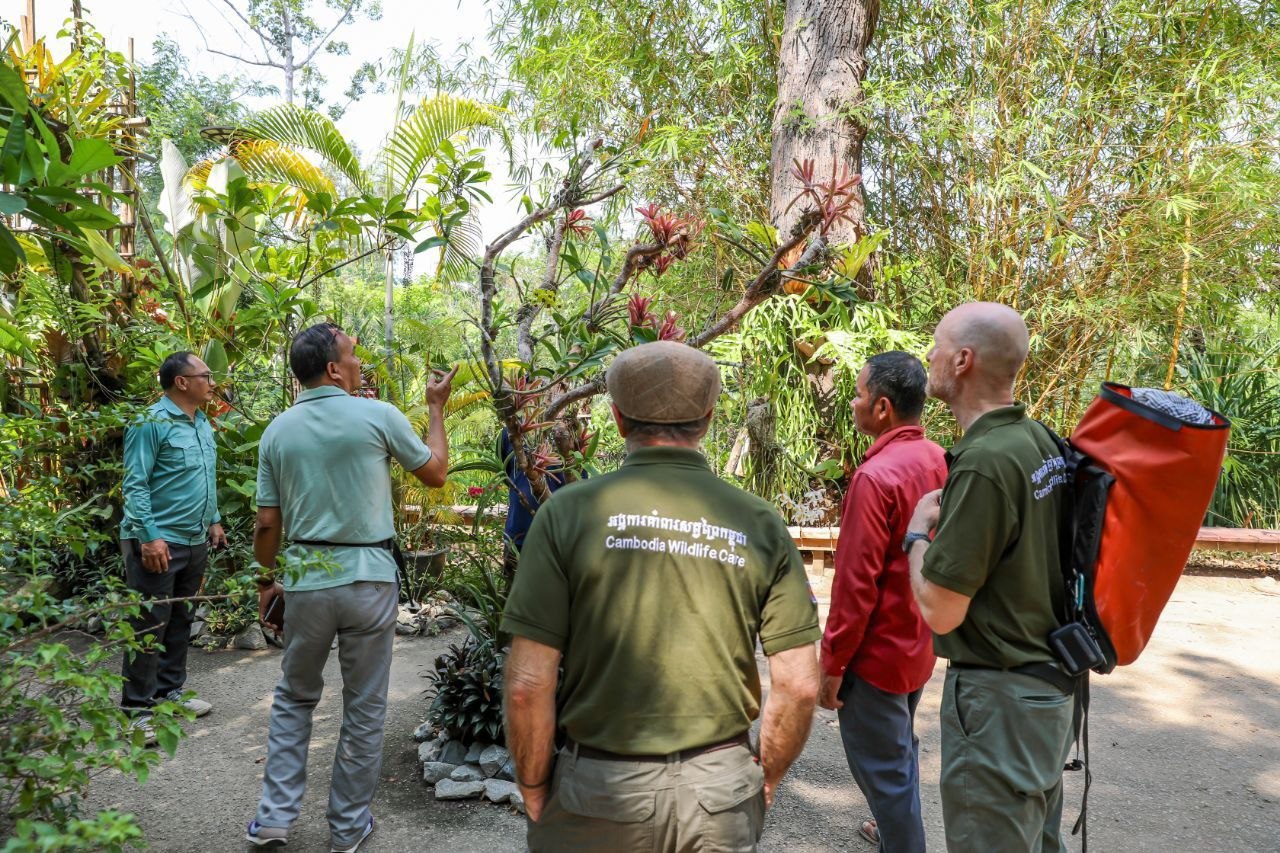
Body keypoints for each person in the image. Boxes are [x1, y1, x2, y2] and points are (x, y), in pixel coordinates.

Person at [501, 340, 821, 852]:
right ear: (708, 420)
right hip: (718, 795)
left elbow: (526, 684)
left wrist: (535, 785)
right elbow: (800, 685)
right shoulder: (759, 522)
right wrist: (764, 779)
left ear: (617, 419)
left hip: (597, 795)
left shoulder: (566, 513)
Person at [245, 323, 455, 852]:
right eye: (353, 355)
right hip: (370, 580)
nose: (360, 363)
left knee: (294, 698)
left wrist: (264, 581)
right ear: (334, 369)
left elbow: (267, 522)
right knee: (364, 706)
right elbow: (435, 473)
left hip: (307, 581)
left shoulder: (277, 431)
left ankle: (273, 820)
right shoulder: (378, 416)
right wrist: (436, 408)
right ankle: (347, 827)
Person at [904, 303, 1075, 852]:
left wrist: (916, 536)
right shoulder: (1039, 439)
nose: (928, 355)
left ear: (962, 360)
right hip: (1047, 692)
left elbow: (940, 609)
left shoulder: (984, 461)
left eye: (936, 345)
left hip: (1000, 704)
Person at [819, 352, 946, 853]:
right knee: (898, 751)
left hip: (877, 656)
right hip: (918, 642)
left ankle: (903, 839)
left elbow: (855, 586)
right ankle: (894, 828)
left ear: (882, 408)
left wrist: (833, 664)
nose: (853, 402)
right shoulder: (939, 459)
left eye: (858, 394)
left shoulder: (875, 478)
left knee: (886, 771)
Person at [119, 351, 225, 736]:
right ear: (182, 382)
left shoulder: (202, 423)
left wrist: (214, 520)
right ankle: (137, 710)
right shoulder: (150, 422)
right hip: (158, 541)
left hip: (194, 539)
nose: (212, 382)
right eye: (205, 376)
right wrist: (149, 537)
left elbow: (204, 476)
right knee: (149, 624)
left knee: (180, 619)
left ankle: (169, 692)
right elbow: (135, 485)